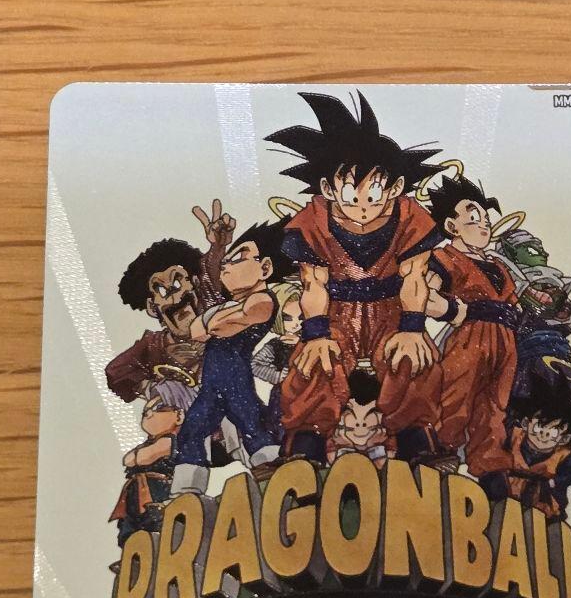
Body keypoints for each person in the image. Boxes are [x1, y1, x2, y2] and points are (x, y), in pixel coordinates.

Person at [264, 92, 447, 465]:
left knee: (413, 359)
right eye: (349, 194)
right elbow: (313, 284)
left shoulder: (411, 217)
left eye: (374, 194)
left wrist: (412, 327)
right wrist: (316, 334)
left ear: (395, 187)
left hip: (391, 310)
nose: (362, 206)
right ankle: (307, 445)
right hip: (336, 312)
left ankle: (415, 440)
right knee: (314, 363)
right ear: (328, 189)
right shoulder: (313, 221)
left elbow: (415, 277)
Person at [169, 221, 292, 494]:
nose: (226, 266)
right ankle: (186, 492)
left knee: (252, 425)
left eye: (238, 259)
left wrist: (214, 319)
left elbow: (223, 325)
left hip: (235, 380)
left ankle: (275, 475)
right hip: (213, 387)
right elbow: (196, 331)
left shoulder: (263, 299)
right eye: (225, 261)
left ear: (265, 268)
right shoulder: (230, 304)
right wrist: (217, 319)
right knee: (192, 430)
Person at [425, 174, 520, 497]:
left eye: (487, 221)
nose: (484, 226)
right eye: (474, 219)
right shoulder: (445, 258)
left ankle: (491, 469)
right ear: (452, 226)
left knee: (495, 406)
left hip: (505, 340)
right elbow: (424, 296)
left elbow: (512, 301)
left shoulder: (497, 265)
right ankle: (440, 453)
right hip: (470, 336)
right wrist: (453, 311)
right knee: (456, 397)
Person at [105, 200, 234, 404]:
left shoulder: (220, 319)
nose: (175, 296)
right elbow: (115, 372)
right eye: (161, 290)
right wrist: (155, 389)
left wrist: (217, 248)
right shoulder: (154, 346)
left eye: (177, 281)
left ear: (194, 283)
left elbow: (213, 275)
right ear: (152, 307)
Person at [109, 377, 195, 544]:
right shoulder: (150, 442)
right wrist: (137, 456)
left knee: (155, 525)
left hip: (157, 490)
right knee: (129, 528)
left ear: (179, 415)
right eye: (146, 411)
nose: (149, 413)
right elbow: (128, 460)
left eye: (158, 408)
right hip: (135, 493)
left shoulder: (170, 440)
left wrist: (137, 456)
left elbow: (142, 457)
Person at [505, 384, 571, 519]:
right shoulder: (513, 438)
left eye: (553, 432)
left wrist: (553, 482)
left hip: (543, 501)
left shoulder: (562, 456)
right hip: (509, 492)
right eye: (539, 427)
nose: (543, 434)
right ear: (525, 423)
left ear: (564, 438)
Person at [250, 279, 302, 440]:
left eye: (301, 317)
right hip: (283, 396)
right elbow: (255, 364)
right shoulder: (276, 345)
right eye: (288, 318)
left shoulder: (310, 342)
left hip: (306, 392)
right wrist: (279, 377)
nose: (296, 324)